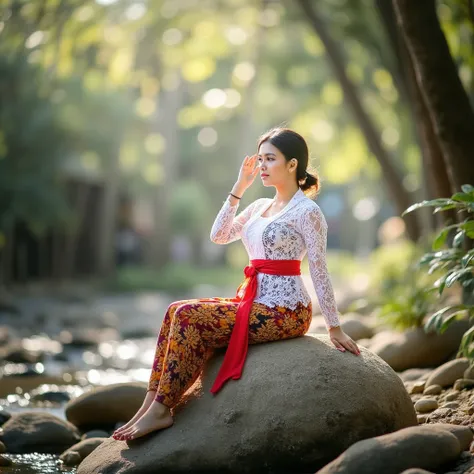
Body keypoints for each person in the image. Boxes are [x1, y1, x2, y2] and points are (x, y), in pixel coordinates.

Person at [112, 127, 360, 442]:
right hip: (253, 299)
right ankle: (151, 404)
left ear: (293, 164)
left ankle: (162, 409)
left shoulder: (308, 212)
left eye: (270, 159)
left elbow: (320, 270)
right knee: (176, 309)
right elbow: (219, 235)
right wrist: (239, 188)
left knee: (191, 317)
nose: (263, 166)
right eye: (261, 159)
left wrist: (335, 326)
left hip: (287, 309)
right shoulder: (258, 207)